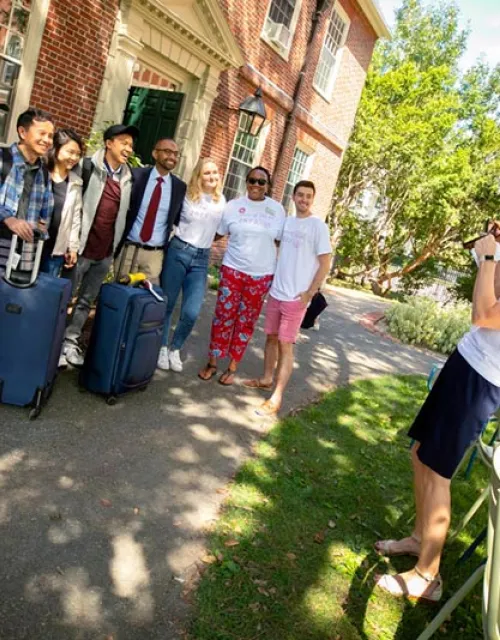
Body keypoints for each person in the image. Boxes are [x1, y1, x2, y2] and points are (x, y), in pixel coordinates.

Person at [374, 228, 500, 603]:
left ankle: (428, 575)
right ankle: (418, 538)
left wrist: (490, 259)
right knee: (420, 455)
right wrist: (488, 258)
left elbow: (483, 313)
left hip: (481, 380)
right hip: (467, 362)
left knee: (439, 472)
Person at [243, 180, 331, 415]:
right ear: (293, 197)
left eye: (308, 196)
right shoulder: (287, 222)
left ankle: (277, 397)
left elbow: (325, 262)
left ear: (312, 199)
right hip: (276, 292)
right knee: (270, 338)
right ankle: (265, 379)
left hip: (296, 297)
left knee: (285, 344)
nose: (303, 199)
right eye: (300, 195)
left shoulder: (318, 227)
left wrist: (310, 293)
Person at [198, 166, 286, 386]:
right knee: (222, 317)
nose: (256, 185)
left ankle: (232, 366)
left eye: (261, 182)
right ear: (246, 182)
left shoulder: (277, 210)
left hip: (260, 275)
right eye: (252, 180)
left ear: (268, 186)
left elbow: (282, 242)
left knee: (246, 322)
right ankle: (212, 362)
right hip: (233, 270)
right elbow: (217, 233)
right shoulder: (233, 206)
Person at [61, 124, 138, 368]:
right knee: (64, 298)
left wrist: (113, 253)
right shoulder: (86, 167)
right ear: (109, 143)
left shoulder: (128, 178)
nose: (128, 148)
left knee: (85, 302)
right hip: (80, 249)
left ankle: (69, 343)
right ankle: (50, 342)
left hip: (104, 253)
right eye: (124, 142)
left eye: (131, 145)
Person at [157, 157, 225, 372]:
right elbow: (171, 220)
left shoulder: (221, 201)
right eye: (207, 173)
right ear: (198, 175)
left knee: (191, 311)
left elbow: (220, 232)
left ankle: (175, 348)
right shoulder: (186, 195)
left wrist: (202, 244)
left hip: (201, 258)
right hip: (179, 251)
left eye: (214, 172)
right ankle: (161, 346)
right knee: (167, 303)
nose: (212, 176)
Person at [115, 137, 186, 282]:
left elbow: (177, 219)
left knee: (145, 300)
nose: (172, 157)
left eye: (175, 153)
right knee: (118, 297)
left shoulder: (179, 187)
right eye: (167, 151)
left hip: (154, 256)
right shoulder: (136, 175)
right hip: (129, 251)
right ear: (155, 154)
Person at [0, 108, 54, 266]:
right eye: (42, 133)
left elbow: (46, 213)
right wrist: (8, 218)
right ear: (22, 132)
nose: (47, 140)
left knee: (16, 290)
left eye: (50, 136)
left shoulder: (44, 173)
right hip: (2, 240)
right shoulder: (3, 160)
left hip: (25, 251)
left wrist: (40, 228)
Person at [41, 128, 84, 277]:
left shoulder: (76, 183)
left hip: (55, 251)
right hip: (31, 246)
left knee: (45, 293)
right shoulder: (40, 173)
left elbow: (75, 219)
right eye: (70, 152)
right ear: (56, 149)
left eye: (78, 154)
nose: (74, 157)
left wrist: (72, 247)